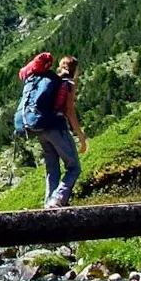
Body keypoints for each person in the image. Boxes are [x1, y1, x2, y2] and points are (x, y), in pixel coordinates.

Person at [41, 55, 87, 208]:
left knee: (52, 168)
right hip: (57, 127)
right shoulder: (69, 84)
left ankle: (49, 203)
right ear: (75, 70)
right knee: (74, 167)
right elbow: (69, 112)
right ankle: (58, 199)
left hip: (42, 128)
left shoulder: (51, 81)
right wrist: (80, 136)